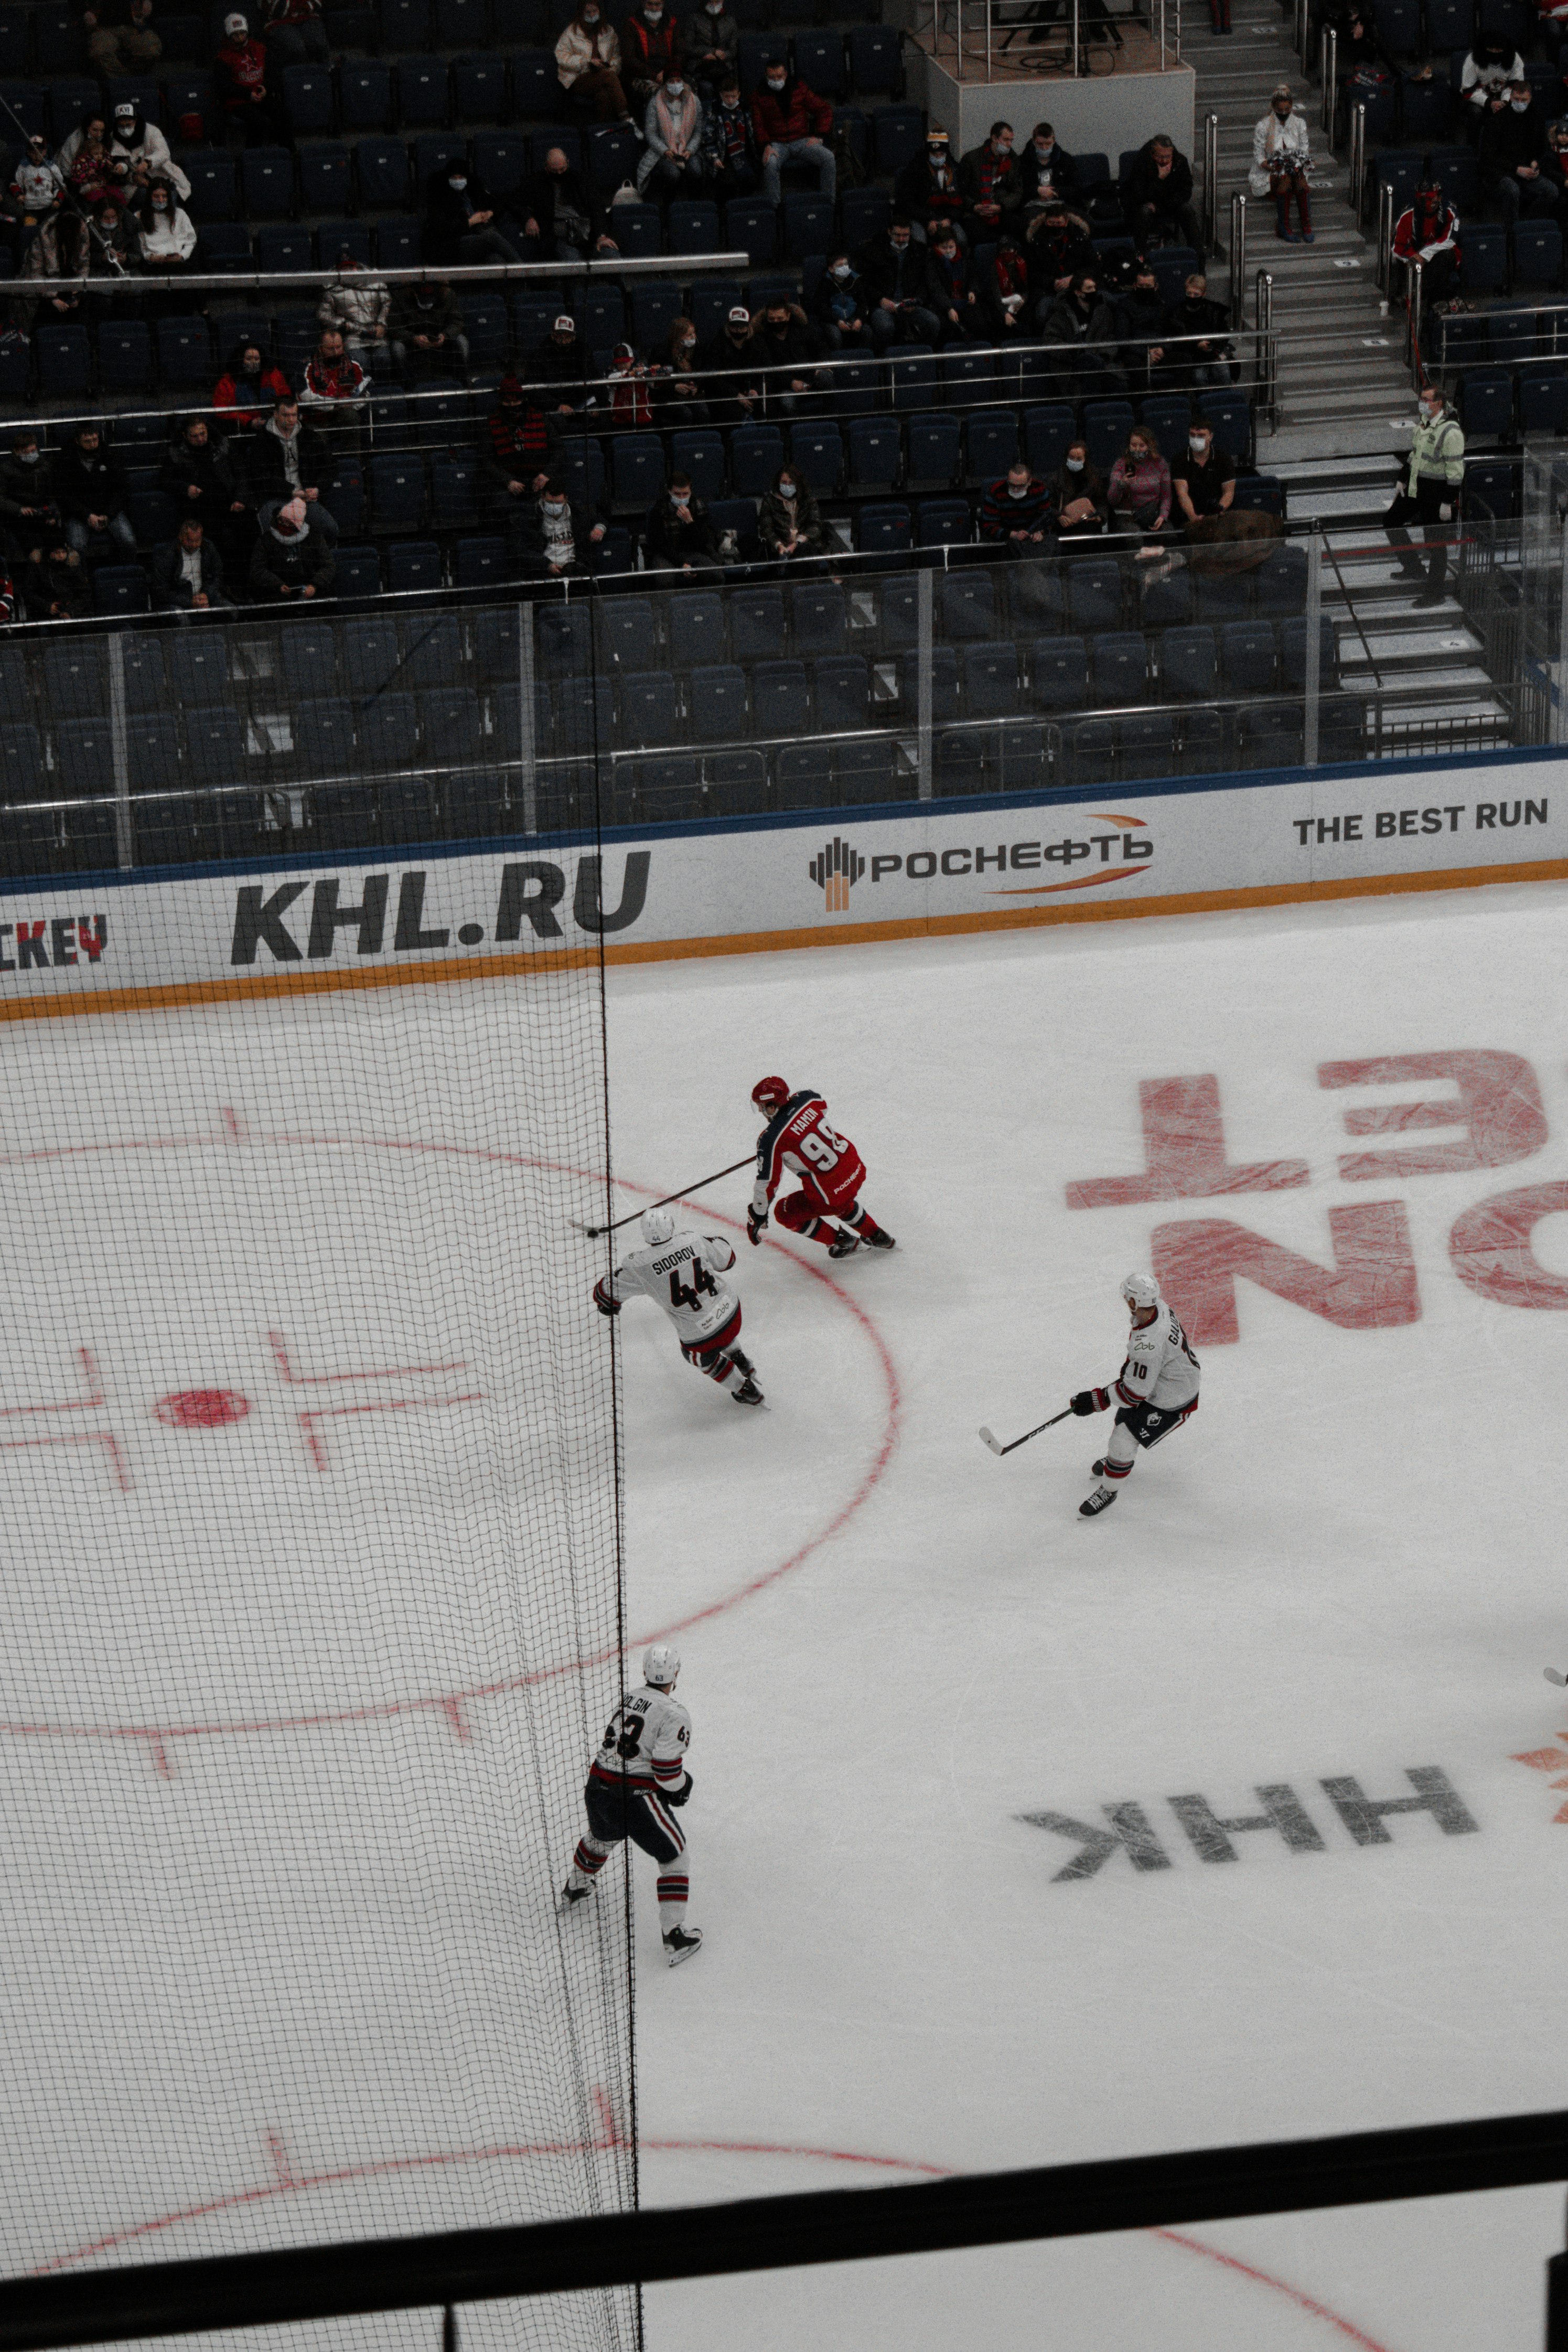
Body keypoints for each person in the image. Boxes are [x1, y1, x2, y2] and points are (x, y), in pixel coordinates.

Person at [560, 1639, 703, 1968]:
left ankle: (575, 1888)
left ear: (644, 1672)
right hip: (635, 1800)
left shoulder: (630, 1698)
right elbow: (666, 1772)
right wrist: (682, 1786)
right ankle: (674, 1936)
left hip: (597, 1788)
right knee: (675, 1857)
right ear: (676, 1674)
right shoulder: (674, 1713)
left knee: (602, 1837)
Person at [594, 1205, 765, 1406]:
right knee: (713, 1317)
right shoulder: (691, 1238)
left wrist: (608, 1305)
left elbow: (604, 1294)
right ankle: (738, 1356)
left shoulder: (638, 1265)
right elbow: (728, 1259)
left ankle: (743, 1388)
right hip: (733, 1314)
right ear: (671, 1225)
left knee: (697, 1355)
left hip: (702, 1338)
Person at [1071, 1273, 1200, 1518]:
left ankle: (1109, 1490)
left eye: (1127, 1296)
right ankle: (1118, 1462)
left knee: (1123, 1438)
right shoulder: (1158, 1307)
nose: (1124, 1299)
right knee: (1122, 1423)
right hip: (1165, 1383)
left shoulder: (1149, 1344)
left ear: (1133, 1302)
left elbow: (1133, 1394)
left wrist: (1095, 1400)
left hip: (1172, 1400)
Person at [748, 1076, 895, 1259]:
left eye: (762, 1108)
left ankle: (842, 1241)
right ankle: (878, 1236)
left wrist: (757, 1214)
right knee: (841, 1198)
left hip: (831, 1193)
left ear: (772, 1106)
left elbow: (768, 1183)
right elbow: (822, 1108)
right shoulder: (808, 1098)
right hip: (855, 1169)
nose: (762, 1112)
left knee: (784, 1212)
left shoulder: (771, 1139)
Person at [1386, 382, 1464, 605]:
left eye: (1427, 400)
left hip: (1436, 493)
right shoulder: (1424, 424)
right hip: (1415, 487)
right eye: (1422, 399)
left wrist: (1448, 502)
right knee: (1392, 520)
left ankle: (1435, 593)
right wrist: (1402, 477)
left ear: (1439, 403)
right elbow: (1415, 455)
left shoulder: (1451, 432)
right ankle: (1413, 567)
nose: (1422, 403)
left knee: (1435, 543)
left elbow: (1456, 472)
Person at [752, 59, 835, 208]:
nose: (776, 80)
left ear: (786, 75)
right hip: (777, 143)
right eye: (772, 77)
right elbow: (758, 125)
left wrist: (821, 136)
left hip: (802, 140)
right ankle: (775, 208)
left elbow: (824, 110)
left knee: (828, 157)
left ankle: (828, 204)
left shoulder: (799, 89)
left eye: (779, 77)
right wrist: (765, 145)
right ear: (766, 76)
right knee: (770, 163)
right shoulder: (759, 95)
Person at [243, 394, 332, 521]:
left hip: (305, 496)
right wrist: (290, 491)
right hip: (275, 498)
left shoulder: (308, 436)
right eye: (286, 415)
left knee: (330, 528)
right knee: (276, 531)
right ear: (276, 414)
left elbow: (329, 465)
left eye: (294, 415)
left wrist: (317, 488)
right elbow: (261, 477)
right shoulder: (263, 441)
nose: (291, 419)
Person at [857, 216, 941, 349]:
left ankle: (921, 358)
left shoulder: (919, 251)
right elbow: (863, 282)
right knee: (885, 327)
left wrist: (916, 300)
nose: (902, 240)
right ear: (890, 232)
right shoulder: (873, 250)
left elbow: (925, 282)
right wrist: (880, 300)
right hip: (882, 304)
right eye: (898, 235)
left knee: (932, 323)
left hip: (909, 303)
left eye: (906, 235)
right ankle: (884, 360)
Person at [54, 421, 134, 560]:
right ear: (77, 441)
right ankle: (81, 579)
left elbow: (121, 489)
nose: (92, 444)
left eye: (95, 440)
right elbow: (64, 495)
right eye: (87, 441)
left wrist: (108, 514)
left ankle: (127, 573)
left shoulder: (110, 455)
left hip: (109, 510)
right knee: (76, 546)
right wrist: (87, 515)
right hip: (80, 514)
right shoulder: (66, 460)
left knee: (129, 541)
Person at [159, 416, 245, 545]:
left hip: (231, 502)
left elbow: (241, 473)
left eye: (202, 434)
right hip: (200, 509)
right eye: (194, 436)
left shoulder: (223, 446)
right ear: (185, 435)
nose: (200, 439)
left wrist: (240, 498)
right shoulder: (176, 453)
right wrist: (186, 488)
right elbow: (164, 481)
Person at [481, 372, 556, 521]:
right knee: (502, 508)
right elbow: (485, 459)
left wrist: (546, 474)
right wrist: (507, 481)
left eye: (515, 402)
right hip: (508, 482)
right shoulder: (491, 424)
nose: (512, 406)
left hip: (538, 478)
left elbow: (558, 450)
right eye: (507, 403)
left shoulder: (540, 418)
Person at [1480, 78, 1556, 222]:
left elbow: (1541, 150)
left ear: (1530, 99)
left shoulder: (1536, 118)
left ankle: (1529, 223)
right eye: (1517, 99)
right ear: (1510, 97)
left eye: (1524, 100)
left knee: (1551, 191)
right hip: (1503, 172)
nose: (1520, 103)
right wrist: (1516, 169)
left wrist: (1536, 163)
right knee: (1512, 189)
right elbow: (1488, 156)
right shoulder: (1497, 121)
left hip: (1527, 171)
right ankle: (1511, 231)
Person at [521, 147, 616, 260]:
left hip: (589, 235)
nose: (559, 173)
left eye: (562, 169)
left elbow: (597, 209)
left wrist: (602, 236)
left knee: (612, 256)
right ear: (547, 167)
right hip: (561, 238)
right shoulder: (537, 183)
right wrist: (529, 218)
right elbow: (517, 202)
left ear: (568, 163)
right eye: (555, 171)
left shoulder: (582, 181)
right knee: (573, 262)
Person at [1039, 270, 1125, 395]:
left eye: (1095, 287)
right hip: (1072, 364)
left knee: (1117, 384)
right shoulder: (1061, 315)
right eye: (1089, 288)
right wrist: (1072, 352)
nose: (1094, 291)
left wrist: (1104, 355)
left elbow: (1109, 337)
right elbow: (1051, 341)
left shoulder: (1103, 311)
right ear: (1078, 293)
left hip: (1102, 361)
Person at [1251, 84, 1314, 241]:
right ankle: (1283, 226)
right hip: (1270, 171)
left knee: (1299, 179)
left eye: (1287, 110)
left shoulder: (1300, 124)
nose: (1284, 113)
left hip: (1295, 169)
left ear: (1292, 106)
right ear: (1273, 107)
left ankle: (1306, 226)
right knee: (1285, 177)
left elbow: (1304, 151)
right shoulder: (1263, 126)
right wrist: (1274, 167)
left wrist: (1300, 164)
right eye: (1280, 111)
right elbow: (1259, 156)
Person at [425, 162, 520, 267]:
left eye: (461, 177)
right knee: (493, 237)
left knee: (496, 260)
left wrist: (490, 213)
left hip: (477, 240)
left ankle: (521, 282)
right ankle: (524, 272)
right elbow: (444, 229)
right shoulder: (439, 200)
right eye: (454, 178)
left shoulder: (473, 194)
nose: (458, 181)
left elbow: (502, 201)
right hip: (455, 245)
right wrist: (471, 222)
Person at [214, 13, 285, 146]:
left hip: (260, 93)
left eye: (242, 33)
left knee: (281, 113)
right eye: (236, 35)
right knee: (257, 121)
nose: (240, 38)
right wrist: (247, 94)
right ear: (230, 36)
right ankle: (253, 155)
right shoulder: (223, 57)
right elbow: (223, 86)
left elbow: (273, 74)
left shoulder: (260, 49)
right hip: (238, 100)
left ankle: (287, 151)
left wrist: (266, 88)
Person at [1123, 133, 1202, 251]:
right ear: (1152, 154)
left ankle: (1197, 255)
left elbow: (1185, 193)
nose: (1164, 161)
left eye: (1168, 157)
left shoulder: (1180, 162)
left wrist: (1160, 206)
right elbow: (1138, 195)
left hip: (1168, 204)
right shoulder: (1141, 163)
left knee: (1187, 210)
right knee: (1144, 212)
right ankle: (1141, 255)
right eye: (1160, 157)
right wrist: (1159, 179)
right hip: (1146, 205)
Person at [1392, 177, 1460, 308]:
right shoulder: (1408, 215)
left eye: (1432, 198)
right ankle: (1434, 306)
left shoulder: (1449, 211)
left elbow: (1449, 240)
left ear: (1439, 197)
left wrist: (1424, 255)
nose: (1429, 202)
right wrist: (1413, 255)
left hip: (1441, 258)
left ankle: (1419, 292)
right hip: (1416, 261)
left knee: (1445, 258)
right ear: (1418, 199)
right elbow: (1397, 246)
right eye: (1424, 199)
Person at [249, 492, 335, 598]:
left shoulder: (315, 538)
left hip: (311, 593)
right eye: (281, 521)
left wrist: (314, 585)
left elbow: (328, 566)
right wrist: (277, 585)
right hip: (276, 595)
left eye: (289, 523)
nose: (284, 526)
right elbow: (258, 570)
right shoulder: (266, 540)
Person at [300, 326, 370, 454]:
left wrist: (350, 403)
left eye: (339, 347)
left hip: (342, 418)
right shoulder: (309, 365)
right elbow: (305, 396)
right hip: (316, 420)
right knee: (317, 439)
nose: (336, 352)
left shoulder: (353, 365)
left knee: (351, 415)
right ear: (321, 348)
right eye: (331, 349)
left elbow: (365, 394)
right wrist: (337, 404)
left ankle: (354, 463)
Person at [518, 475, 604, 578]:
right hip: (543, 571)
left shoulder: (578, 512)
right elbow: (519, 549)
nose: (554, 507)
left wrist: (599, 529)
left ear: (566, 499)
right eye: (550, 502)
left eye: (558, 503)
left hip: (574, 569)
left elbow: (600, 519)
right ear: (543, 496)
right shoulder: (529, 516)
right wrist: (546, 565)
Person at [555, 2, 627, 125]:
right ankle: (626, 118)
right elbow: (561, 57)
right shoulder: (572, 32)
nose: (592, 15)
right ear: (582, 13)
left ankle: (602, 133)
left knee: (604, 96)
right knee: (608, 77)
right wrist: (586, 63)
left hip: (604, 76)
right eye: (588, 12)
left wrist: (613, 69)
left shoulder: (609, 31)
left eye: (595, 11)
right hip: (578, 78)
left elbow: (617, 57)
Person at [316, 249, 390, 367]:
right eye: (344, 269)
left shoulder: (374, 282)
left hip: (377, 336)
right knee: (361, 362)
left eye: (351, 267)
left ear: (357, 267)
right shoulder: (332, 289)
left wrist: (381, 323)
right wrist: (342, 323)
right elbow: (323, 314)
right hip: (353, 338)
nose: (348, 271)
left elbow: (387, 302)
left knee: (383, 359)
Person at [638, 74, 704, 201]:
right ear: (665, 84)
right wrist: (665, 151)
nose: (675, 84)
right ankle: (668, 207)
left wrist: (690, 150)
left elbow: (698, 132)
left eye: (679, 81)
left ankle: (695, 205)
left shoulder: (694, 101)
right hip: (664, 149)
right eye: (671, 81)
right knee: (673, 175)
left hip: (688, 147)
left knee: (696, 171)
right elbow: (650, 134)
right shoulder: (655, 102)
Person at [1164, 269, 1234, 388]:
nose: (1192, 297)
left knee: (1225, 373)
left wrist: (1212, 345)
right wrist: (1197, 345)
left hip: (1214, 353)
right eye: (1189, 294)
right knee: (1198, 377)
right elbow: (1177, 341)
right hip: (1192, 356)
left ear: (1204, 294)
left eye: (1196, 294)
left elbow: (1224, 333)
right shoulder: (1176, 313)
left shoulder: (1215, 310)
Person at [388, 276, 467, 382]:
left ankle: (463, 384)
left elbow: (457, 322)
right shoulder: (400, 296)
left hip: (441, 341)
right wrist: (413, 338)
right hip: (412, 343)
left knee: (462, 342)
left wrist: (445, 336)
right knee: (397, 348)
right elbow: (395, 328)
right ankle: (407, 388)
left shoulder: (448, 294)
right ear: (414, 292)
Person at [895, 124, 964, 243]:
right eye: (934, 155)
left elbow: (960, 201)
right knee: (920, 240)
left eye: (941, 154)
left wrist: (949, 219)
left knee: (961, 239)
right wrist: (927, 220)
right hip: (919, 217)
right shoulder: (914, 170)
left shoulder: (955, 170)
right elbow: (906, 203)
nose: (938, 158)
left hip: (945, 216)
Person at [110, 99, 190, 200]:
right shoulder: (115, 136)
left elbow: (163, 153)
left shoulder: (151, 131)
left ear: (135, 121)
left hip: (162, 175)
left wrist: (147, 163)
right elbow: (119, 159)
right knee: (144, 197)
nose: (125, 129)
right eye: (121, 126)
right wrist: (127, 172)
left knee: (167, 197)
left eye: (129, 125)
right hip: (135, 183)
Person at [748, 298, 818, 415]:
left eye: (780, 319)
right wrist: (791, 382)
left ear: (788, 316)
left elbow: (819, 350)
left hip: (809, 377)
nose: (776, 322)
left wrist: (818, 372)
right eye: (772, 319)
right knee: (787, 403)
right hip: (784, 385)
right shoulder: (762, 339)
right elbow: (770, 369)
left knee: (827, 377)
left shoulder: (803, 330)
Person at [1107, 425, 1172, 548]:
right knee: (1135, 539)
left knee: (1169, 535)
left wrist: (1163, 516)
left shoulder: (1160, 464)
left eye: (1142, 446)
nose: (1137, 449)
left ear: (1150, 446)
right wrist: (1121, 485)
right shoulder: (1121, 465)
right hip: (1127, 515)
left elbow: (1166, 496)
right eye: (1133, 445)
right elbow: (1111, 500)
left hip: (1151, 513)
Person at [135, 178, 197, 305]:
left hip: (177, 261)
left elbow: (191, 241)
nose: (161, 200)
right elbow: (140, 246)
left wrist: (182, 256)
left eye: (164, 196)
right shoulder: (138, 217)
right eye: (156, 196)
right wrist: (151, 258)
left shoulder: (179, 214)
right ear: (150, 196)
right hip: (153, 264)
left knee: (188, 273)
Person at [645, 471, 722, 572]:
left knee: (715, 575)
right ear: (669, 492)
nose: (682, 498)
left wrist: (690, 522)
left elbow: (703, 541)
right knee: (665, 579)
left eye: (685, 494)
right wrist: (682, 564)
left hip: (694, 552)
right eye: (677, 494)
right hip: (667, 554)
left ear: (690, 491)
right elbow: (660, 544)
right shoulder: (659, 509)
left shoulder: (698, 506)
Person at [959, 120, 1023, 242]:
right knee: (977, 233)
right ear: (994, 138)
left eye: (1011, 140)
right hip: (975, 211)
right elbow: (961, 191)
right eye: (1005, 140)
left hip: (1001, 210)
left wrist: (1001, 206)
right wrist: (974, 206)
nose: (1009, 144)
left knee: (1017, 226)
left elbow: (1017, 192)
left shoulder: (1013, 161)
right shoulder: (971, 159)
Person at [697, 303, 761, 424]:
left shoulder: (757, 343)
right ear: (729, 326)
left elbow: (765, 368)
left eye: (742, 327)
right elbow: (713, 376)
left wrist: (756, 390)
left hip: (750, 389)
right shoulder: (717, 344)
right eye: (735, 327)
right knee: (732, 414)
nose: (738, 331)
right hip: (725, 393)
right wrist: (736, 395)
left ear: (748, 327)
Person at [922, 224, 987, 343]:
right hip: (942, 305)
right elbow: (935, 289)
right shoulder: (932, 261)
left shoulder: (964, 257)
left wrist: (972, 291)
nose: (948, 251)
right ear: (937, 247)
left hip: (964, 301)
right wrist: (949, 308)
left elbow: (973, 277)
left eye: (951, 247)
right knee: (948, 329)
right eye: (944, 248)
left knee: (980, 324)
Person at [703, 69, 761, 199]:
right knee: (728, 185)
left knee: (752, 180)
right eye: (727, 97)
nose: (730, 100)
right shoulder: (714, 111)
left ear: (739, 95)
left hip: (743, 153)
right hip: (724, 156)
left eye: (733, 96)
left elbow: (752, 135)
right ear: (721, 95)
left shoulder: (745, 109)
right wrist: (715, 157)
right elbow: (708, 139)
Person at [152, 516, 232, 610]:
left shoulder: (208, 548)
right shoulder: (167, 554)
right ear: (181, 537)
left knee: (230, 610)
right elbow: (161, 590)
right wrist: (189, 602)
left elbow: (218, 576)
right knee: (180, 616)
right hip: (178, 602)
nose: (194, 545)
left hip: (205, 598)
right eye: (190, 541)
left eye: (198, 541)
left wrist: (207, 595)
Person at [1172, 418, 1234, 533]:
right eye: (1192, 435)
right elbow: (1182, 494)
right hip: (1188, 516)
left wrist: (1215, 515)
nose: (1196, 439)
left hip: (1217, 514)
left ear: (1210, 437)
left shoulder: (1224, 459)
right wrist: (1194, 518)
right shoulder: (1179, 460)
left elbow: (1229, 493)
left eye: (1201, 436)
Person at [1025, 198, 1094, 300]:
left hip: (1078, 285)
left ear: (1066, 222)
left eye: (1058, 223)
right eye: (1051, 223)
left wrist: (1074, 279)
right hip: (1047, 289)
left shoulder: (1079, 238)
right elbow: (1031, 272)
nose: (1055, 226)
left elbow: (1093, 265)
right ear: (1045, 222)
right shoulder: (1036, 242)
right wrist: (1053, 283)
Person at [214, 339, 292, 429]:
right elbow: (221, 411)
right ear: (241, 360)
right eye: (248, 359)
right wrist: (248, 421)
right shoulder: (227, 382)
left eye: (257, 359)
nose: (253, 362)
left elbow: (287, 400)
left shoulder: (274, 375)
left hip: (275, 425)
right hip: (243, 428)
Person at [0, 429, 55, 553]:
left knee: (56, 541)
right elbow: (1, 498)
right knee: (33, 544)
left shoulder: (45, 466)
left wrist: (53, 511)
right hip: (17, 516)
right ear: (17, 451)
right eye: (26, 452)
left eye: (33, 451)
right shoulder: (5, 470)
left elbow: (53, 493)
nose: (31, 455)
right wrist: (19, 509)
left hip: (41, 511)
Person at [757, 465, 823, 566]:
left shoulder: (809, 501)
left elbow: (815, 526)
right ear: (778, 483)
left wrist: (796, 543)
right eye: (784, 483)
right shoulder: (769, 501)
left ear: (798, 484)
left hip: (803, 545)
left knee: (806, 551)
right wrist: (779, 545)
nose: (787, 486)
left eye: (791, 483)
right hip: (778, 547)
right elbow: (766, 529)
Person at [529, 313, 593, 416]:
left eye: (567, 337)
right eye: (560, 336)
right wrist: (557, 405)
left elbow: (591, 377)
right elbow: (533, 389)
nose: (563, 341)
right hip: (552, 407)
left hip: (579, 402)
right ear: (553, 336)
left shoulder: (582, 351)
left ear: (573, 337)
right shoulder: (539, 355)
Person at [1459, 35, 1524, 136]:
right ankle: (1473, 146)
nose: (1494, 52)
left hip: (1505, 98)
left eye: (1498, 50)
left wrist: (1505, 102)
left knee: (1521, 108)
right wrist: (1490, 103)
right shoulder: (1473, 59)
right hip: (1478, 101)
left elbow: (1516, 86)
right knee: (1476, 113)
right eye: (1491, 49)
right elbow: (1468, 91)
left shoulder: (1515, 59)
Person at [980, 459, 1052, 549]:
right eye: (1012, 485)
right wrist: (1012, 535)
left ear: (1029, 482)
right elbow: (988, 526)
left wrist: (1040, 533)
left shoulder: (1040, 489)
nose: (1015, 490)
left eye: (1020, 486)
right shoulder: (996, 492)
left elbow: (1047, 519)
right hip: (1003, 538)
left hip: (1032, 536)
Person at [622, 0, 678, 112]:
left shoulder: (672, 23)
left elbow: (680, 53)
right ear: (643, 4)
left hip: (669, 71)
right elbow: (629, 58)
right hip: (642, 74)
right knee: (659, 94)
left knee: (687, 88)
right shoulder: (632, 25)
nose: (654, 8)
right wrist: (654, 75)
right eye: (650, 4)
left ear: (663, 5)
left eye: (658, 4)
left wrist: (669, 72)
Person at [83, 0, 159, 79]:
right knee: (100, 52)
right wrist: (85, 12)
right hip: (102, 27)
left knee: (152, 49)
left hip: (133, 25)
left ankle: (135, 77)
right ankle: (125, 81)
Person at [652, 316, 707, 423]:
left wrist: (697, 385)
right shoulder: (661, 352)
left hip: (691, 394)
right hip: (668, 395)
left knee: (703, 412)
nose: (693, 337)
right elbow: (655, 381)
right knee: (685, 413)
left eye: (694, 333)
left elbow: (703, 371)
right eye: (689, 335)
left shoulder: (698, 349)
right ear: (678, 336)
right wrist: (674, 387)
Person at [1049, 437, 1108, 536]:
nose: (1075, 461)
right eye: (1071, 458)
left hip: (1088, 521)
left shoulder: (1095, 477)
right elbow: (1048, 505)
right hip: (1065, 521)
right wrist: (1059, 516)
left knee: (1092, 529)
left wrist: (1100, 516)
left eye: (1079, 459)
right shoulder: (1056, 479)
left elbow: (1101, 501)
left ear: (1085, 460)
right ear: (1066, 457)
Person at [19, 535, 88, 620]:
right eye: (58, 553)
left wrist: (70, 611)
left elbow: (84, 594)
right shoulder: (39, 569)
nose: (61, 556)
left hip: (72, 612)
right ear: (51, 554)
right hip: (46, 613)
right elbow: (27, 592)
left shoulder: (73, 569)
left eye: (63, 552)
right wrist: (46, 606)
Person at [815, 250, 872, 351]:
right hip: (833, 320)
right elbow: (822, 308)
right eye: (840, 266)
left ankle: (863, 359)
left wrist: (859, 319)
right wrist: (837, 321)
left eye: (846, 264)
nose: (844, 268)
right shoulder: (824, 284)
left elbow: (863, 304)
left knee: (867, 332)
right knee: (835, 336)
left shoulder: (856, 281)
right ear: (831, 269)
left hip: (853, 317)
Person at [681, 0, 738, 99]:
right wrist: (709, 52)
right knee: (707, 87)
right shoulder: (694, 19)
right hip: (699, 65)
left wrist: (724, 55)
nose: (715, 5)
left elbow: (734, 49)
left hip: (723, 66)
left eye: (717, 2)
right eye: (712, 2)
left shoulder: (730, 21)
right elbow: (688, 47)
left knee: (728, 87)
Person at [1022, 122, 1079, 208]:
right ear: (1034, 142)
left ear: (1054, 141)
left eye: (1048, 144)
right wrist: (1037, 191)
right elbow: (1019, 190)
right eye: (1040, 144)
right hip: (1033, 205)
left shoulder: (1065, 159)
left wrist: (1057, 192)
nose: (1044, 148)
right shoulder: (1024, 161)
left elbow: (1076, 188)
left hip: (1061, 205)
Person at [260, 0, 328, 67]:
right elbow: (277, 9)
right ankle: (298, 76)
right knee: (297, 49)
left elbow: (317, 4)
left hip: (309, 17)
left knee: (318, 43)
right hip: (278, 22)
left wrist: (295, 5)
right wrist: (303, 5)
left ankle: (324, 73)